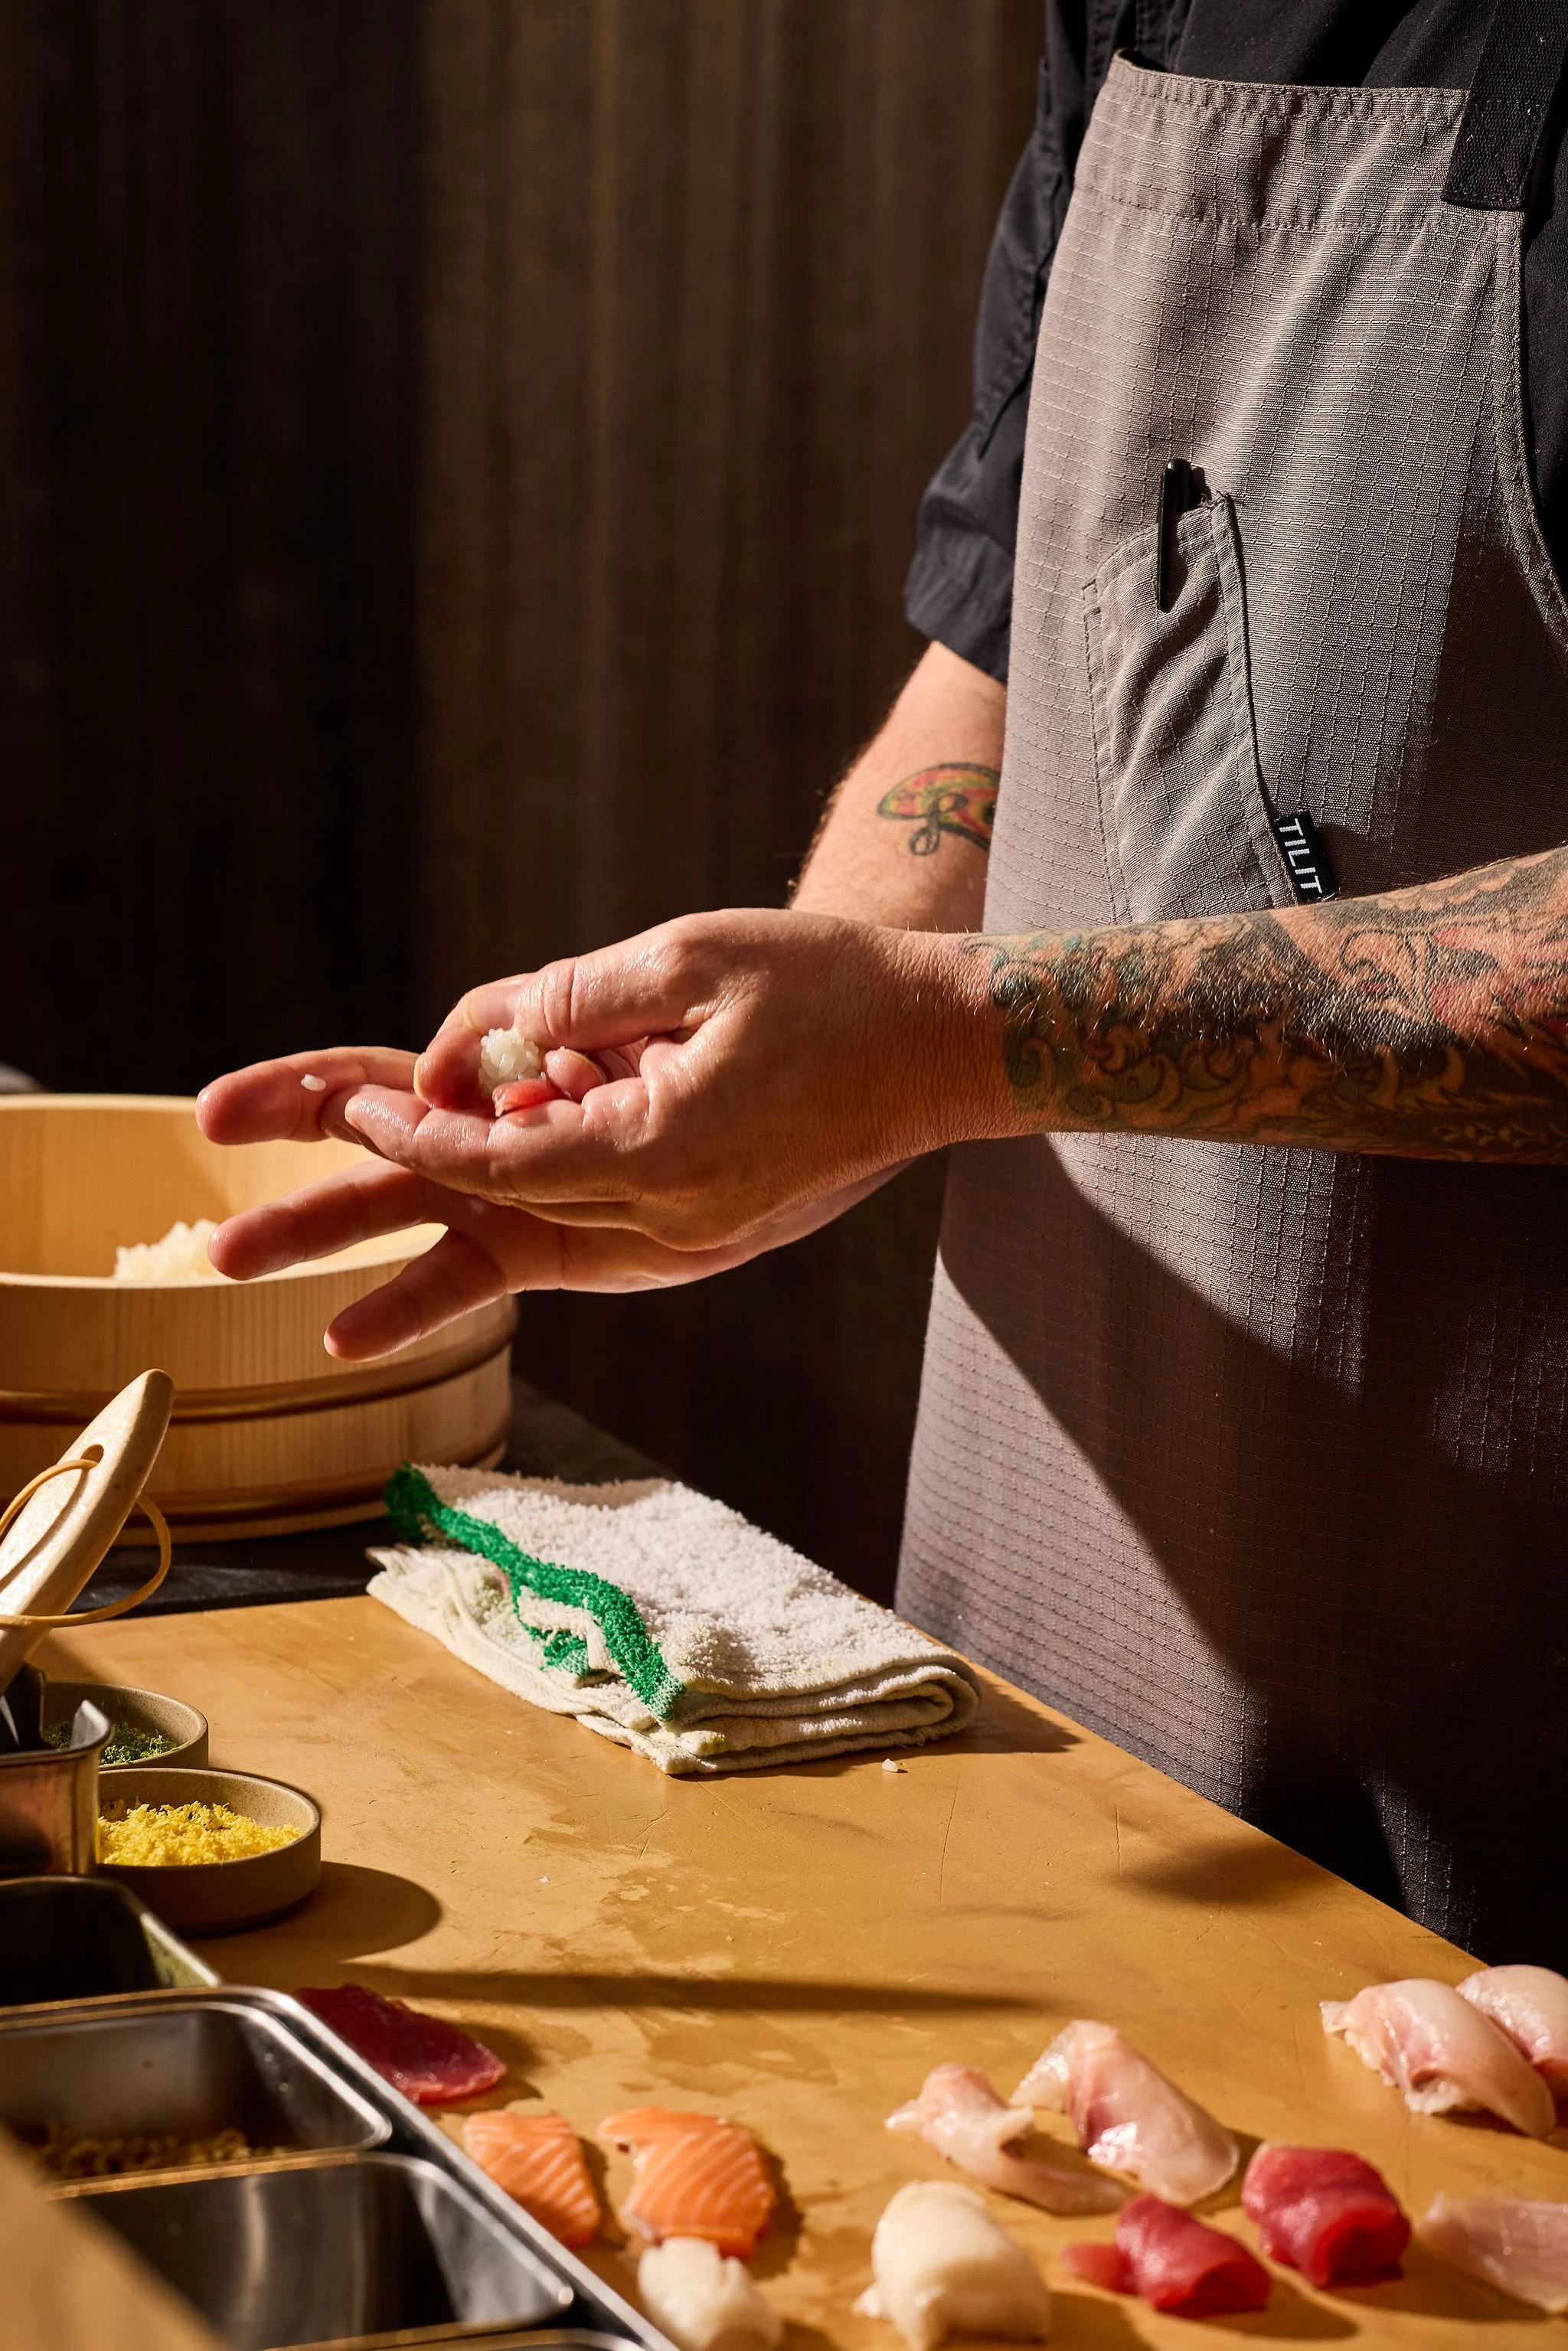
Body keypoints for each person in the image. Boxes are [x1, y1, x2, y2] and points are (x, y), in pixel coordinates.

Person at [201, 1, 1568, 1964]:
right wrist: (739, 1068)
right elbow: (1029, 608)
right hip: (1047, 1647)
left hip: (1499, 1763)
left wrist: (934, 1045)